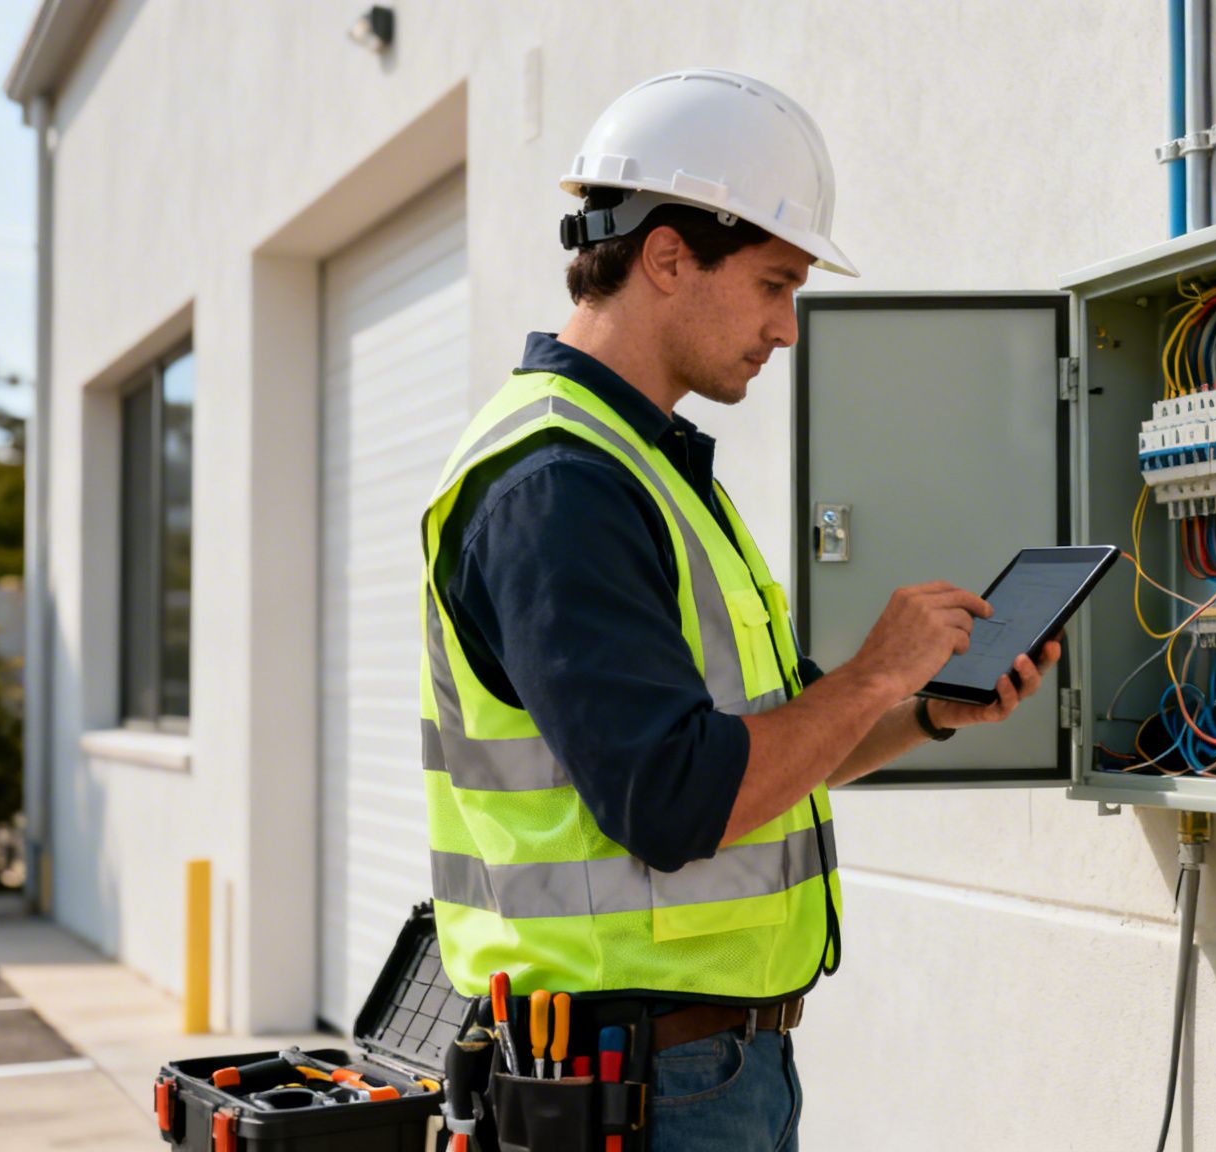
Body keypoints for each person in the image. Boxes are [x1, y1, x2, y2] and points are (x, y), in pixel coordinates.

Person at [417, 68, 1056, 1150]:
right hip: (638, 1082)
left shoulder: (641, 466)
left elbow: (761, 753)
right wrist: (871, 673)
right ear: (668, 258)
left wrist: (922, 710)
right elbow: (676, 801)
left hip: (702, 1071)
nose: (787, 329)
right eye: (773, 284)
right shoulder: (560, 487)